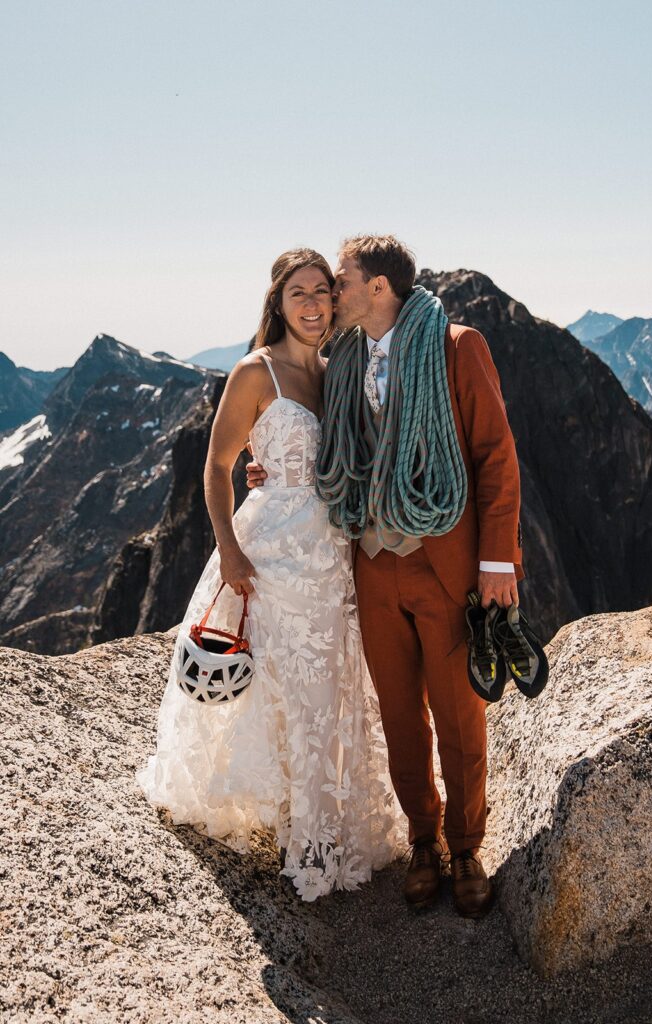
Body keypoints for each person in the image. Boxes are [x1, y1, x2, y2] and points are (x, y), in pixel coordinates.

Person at [247, 235, 523, 917]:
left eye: (339, 280)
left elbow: (494, 454)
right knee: (399, 714)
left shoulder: (457, 346)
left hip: (443, 565)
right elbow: (325, 439)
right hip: (370, 562)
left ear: (376, 288)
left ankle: (465, 846)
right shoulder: (341, 357)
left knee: (459, 713)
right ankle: (422, 840)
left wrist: (497, 563)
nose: (330, 294)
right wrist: (267, 471)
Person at [136, 248, 403, 902]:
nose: (311, 303)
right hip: (272, 555)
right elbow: (217, 465)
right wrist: (228, 548)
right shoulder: (256, 373)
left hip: (333, 555)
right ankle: (305, 839)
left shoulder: (335, 367)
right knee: (292, 691)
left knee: (331, 687)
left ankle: (325, 826)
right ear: (277, 304)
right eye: (297, 293)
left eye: (320, 291)